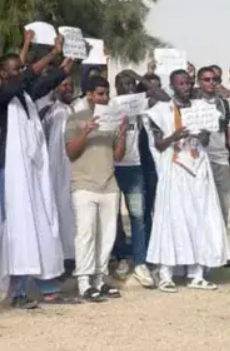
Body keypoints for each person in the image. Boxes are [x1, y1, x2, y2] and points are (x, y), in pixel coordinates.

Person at [0, 40, 78, 308]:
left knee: (40, 223)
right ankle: (18, 291)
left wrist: (67, 61)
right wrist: (52, 53)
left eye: (21, 69)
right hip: (12, 175)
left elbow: (46, 83)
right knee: (18, 228)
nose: (19, 73)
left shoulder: (24, 96)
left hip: (32, 172)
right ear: (2, 74)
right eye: (14, 70)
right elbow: (24, 80)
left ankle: (47, 284)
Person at [145, 69, 230, 291]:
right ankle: (166, 273)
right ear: (172, 86)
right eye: (180, 83)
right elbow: (158, 144)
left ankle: (196, 273)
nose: (185, 86)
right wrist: (174, 136)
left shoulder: (202, 108)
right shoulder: (161, 111)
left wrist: (201, 135)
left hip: (198, 168)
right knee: (171, 219)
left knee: (199, 217)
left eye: (188, 83)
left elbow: (206, 138)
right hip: (174, 169)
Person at [65, 76, 126, 301]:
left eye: (106, 93)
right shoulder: (76, 118)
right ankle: (84, 282)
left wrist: (122, 133)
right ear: (88, 94)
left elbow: (118, 155)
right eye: (100, 93)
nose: (104, 97)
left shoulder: (112, 118)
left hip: (109, 184)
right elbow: (70, 152)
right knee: (86, 234)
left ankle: (100, 280)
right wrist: (86, 131)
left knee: (107, 235)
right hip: (83, 184)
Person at [110, 71, 155, 288]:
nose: (127, 87)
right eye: (123, 83)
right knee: (114, 216)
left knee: (137, 215)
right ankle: (121, 257)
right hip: (111, 168)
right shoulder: (109, 106)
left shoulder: (139, 104)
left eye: (131, 84)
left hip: (134, 168)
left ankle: (140, 261)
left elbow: (161, 96)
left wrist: (140, 78)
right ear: (115, 85)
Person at [197, 66, 230, 250]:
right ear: (199, 82)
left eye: (214, 79)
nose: (211, 83)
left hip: (221, 160)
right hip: (199, 160)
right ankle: (202, 249)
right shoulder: (192, 103)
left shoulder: (223, 104)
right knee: (201, 207)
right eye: (206, 79)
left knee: (223, 207)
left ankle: (220, 249)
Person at [41, 75, 77, 274]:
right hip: (57, 168)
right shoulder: (52, 111)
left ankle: (72, 257)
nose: (68, 88)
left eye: (71, 85)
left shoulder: (75, 109)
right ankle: (62, 259)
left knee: (72, 213)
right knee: (60, 211)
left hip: (73, 167)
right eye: (64, 85)